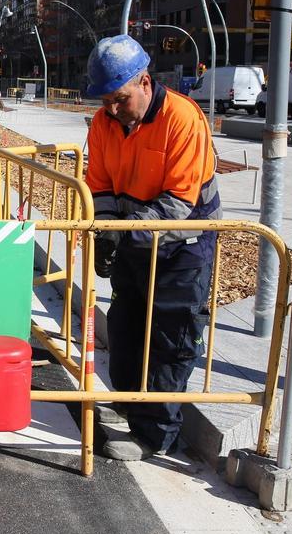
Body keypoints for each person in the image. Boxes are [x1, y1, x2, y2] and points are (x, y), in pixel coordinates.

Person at [83, 35, 221, 461]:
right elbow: (100, 184)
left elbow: (179, 205)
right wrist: (105, 228)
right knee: (125, 326)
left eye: (119, 99)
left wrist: (119, 234)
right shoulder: (104, 123)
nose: (111, 109)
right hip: (134, 240)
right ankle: (127, 402)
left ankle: (155, 436)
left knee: (169, 337)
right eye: (106, 100)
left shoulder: (183, 119)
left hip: (183, 248)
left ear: (145, 82)